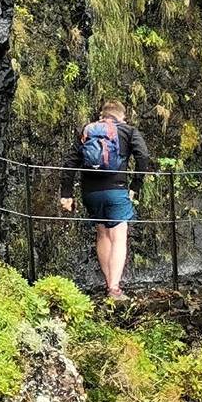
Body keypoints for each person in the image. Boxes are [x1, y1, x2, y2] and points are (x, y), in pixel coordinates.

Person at [58, 100, 151, 300]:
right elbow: (143, 156)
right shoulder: (128, 131)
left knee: (102, 234)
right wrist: (136, 185)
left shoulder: (88, 130)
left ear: (102, 116)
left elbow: (70, 162)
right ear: (122, 116)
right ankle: (115, 289)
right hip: (116, 190)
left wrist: (66, 193)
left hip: (90, 193)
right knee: (118, 236)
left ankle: (109, 283)